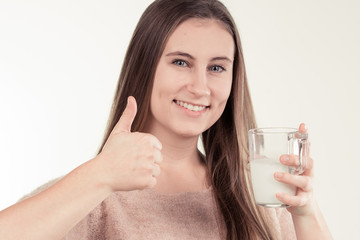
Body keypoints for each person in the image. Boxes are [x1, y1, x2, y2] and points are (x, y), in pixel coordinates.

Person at [0, 0, 332, 239]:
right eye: (180, 63)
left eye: (216, 68)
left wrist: (306, 212)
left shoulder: (259, 195)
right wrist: (100, 174)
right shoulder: (99, 197)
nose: (200, 87)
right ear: (145, 68)